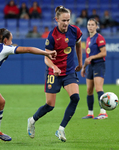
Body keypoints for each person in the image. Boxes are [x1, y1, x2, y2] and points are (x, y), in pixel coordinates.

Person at [27, 5, 83, 142]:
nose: (66, 23)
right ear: (56, 19)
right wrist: (54, 67)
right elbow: (46, 57)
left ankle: (61, 129)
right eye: (63, 20)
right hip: (54, 72)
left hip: (69, 71)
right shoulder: (52, 36)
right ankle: (32, 120)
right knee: (50, 105)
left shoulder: (75, 31)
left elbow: (78, 45)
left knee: (75, 98)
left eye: (68, 20)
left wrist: (80, 63)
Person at [81, 18, 107, 120]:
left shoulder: (99, 37)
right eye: (88, 25)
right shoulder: (88, 39)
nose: (90, 26)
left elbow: (104, 53)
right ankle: (90, 113)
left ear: (97, 26)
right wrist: (83, 68)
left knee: (98, 88)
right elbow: (88, 57)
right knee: (89, 90)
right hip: (90, 66)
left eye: (92, 25)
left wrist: (92, 57)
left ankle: (103, 112)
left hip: (99, 64)